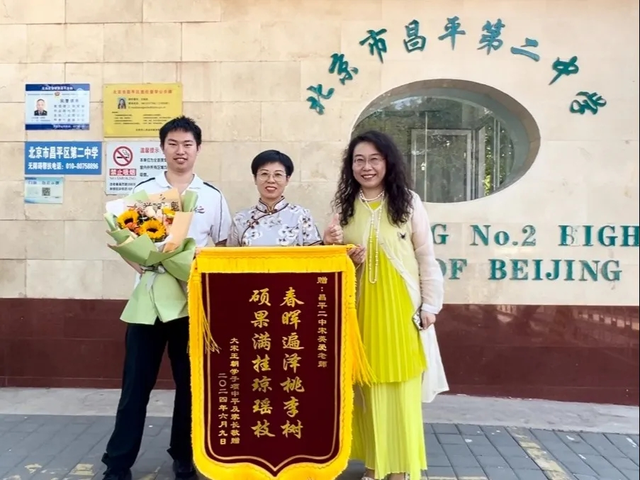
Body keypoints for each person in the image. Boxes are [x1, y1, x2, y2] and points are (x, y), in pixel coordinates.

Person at [102, 116, 232, 480]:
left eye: (187, 144)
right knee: (135, 387)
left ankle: (184, 455)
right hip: (148, 304)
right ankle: (117, 463)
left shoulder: (212, 196)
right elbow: (128, 241)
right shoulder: (145, 191)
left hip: (190, 304)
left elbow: (222, 248)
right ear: (162, 148)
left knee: (189, 386)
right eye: (173, 144)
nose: (180, 151)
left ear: (198, 149)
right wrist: (145, 264)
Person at [324, 130, 444, 480]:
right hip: (361, 310)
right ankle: (375, 464)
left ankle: (399, 468)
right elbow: (331, 265)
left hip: (401, 309)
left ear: (387, 162)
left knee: (401, 386)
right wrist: (335, 247)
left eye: (374, 159)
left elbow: (426, 256)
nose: (367, 167)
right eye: (359, 160)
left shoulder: (408, 202)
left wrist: (430, 305)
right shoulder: (343, 207)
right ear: (350, 166)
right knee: (367, 388)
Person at [226, 149, 335, 247]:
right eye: (264, 174)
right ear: (255, 178)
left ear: (287, 179)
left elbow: (316, 256)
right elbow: (229, 258)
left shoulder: (301, 215)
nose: (271, 180)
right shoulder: (240, 219)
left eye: (278, 175)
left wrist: (326, 242)